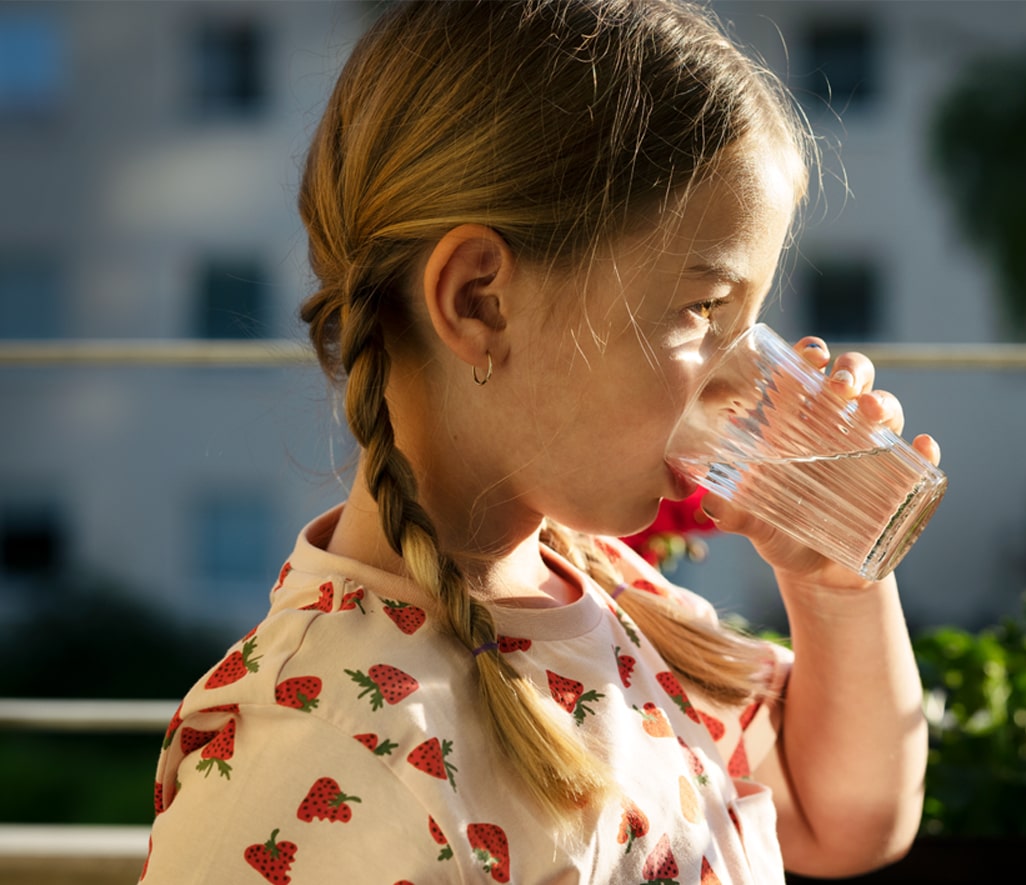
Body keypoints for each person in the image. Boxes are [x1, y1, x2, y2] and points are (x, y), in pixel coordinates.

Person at [142, 1, 939, 882]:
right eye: (703, 310)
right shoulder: (317, 758)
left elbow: (843, 819)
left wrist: (834, 587)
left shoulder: (609, 590)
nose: (748, 382)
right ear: (481, 301)